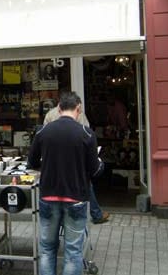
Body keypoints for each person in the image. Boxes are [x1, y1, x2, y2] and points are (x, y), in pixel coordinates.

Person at [29, 91, 102, 275]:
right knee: (73, 252)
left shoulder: (43, 131)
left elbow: (31, 163)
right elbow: (95, 171)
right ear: (78, 108)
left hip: (48, 196)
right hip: (76, 197)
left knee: (46, 248)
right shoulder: (87, 134)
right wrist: (101, 164)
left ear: (59, 108)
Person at [44, 105, 110, 224]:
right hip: (74, 155)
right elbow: (87, 132)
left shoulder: (50, 114)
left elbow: (44, 135)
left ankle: (92, 213)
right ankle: (95, 213)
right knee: (84, 180)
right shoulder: (78, 113)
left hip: (55, 159)